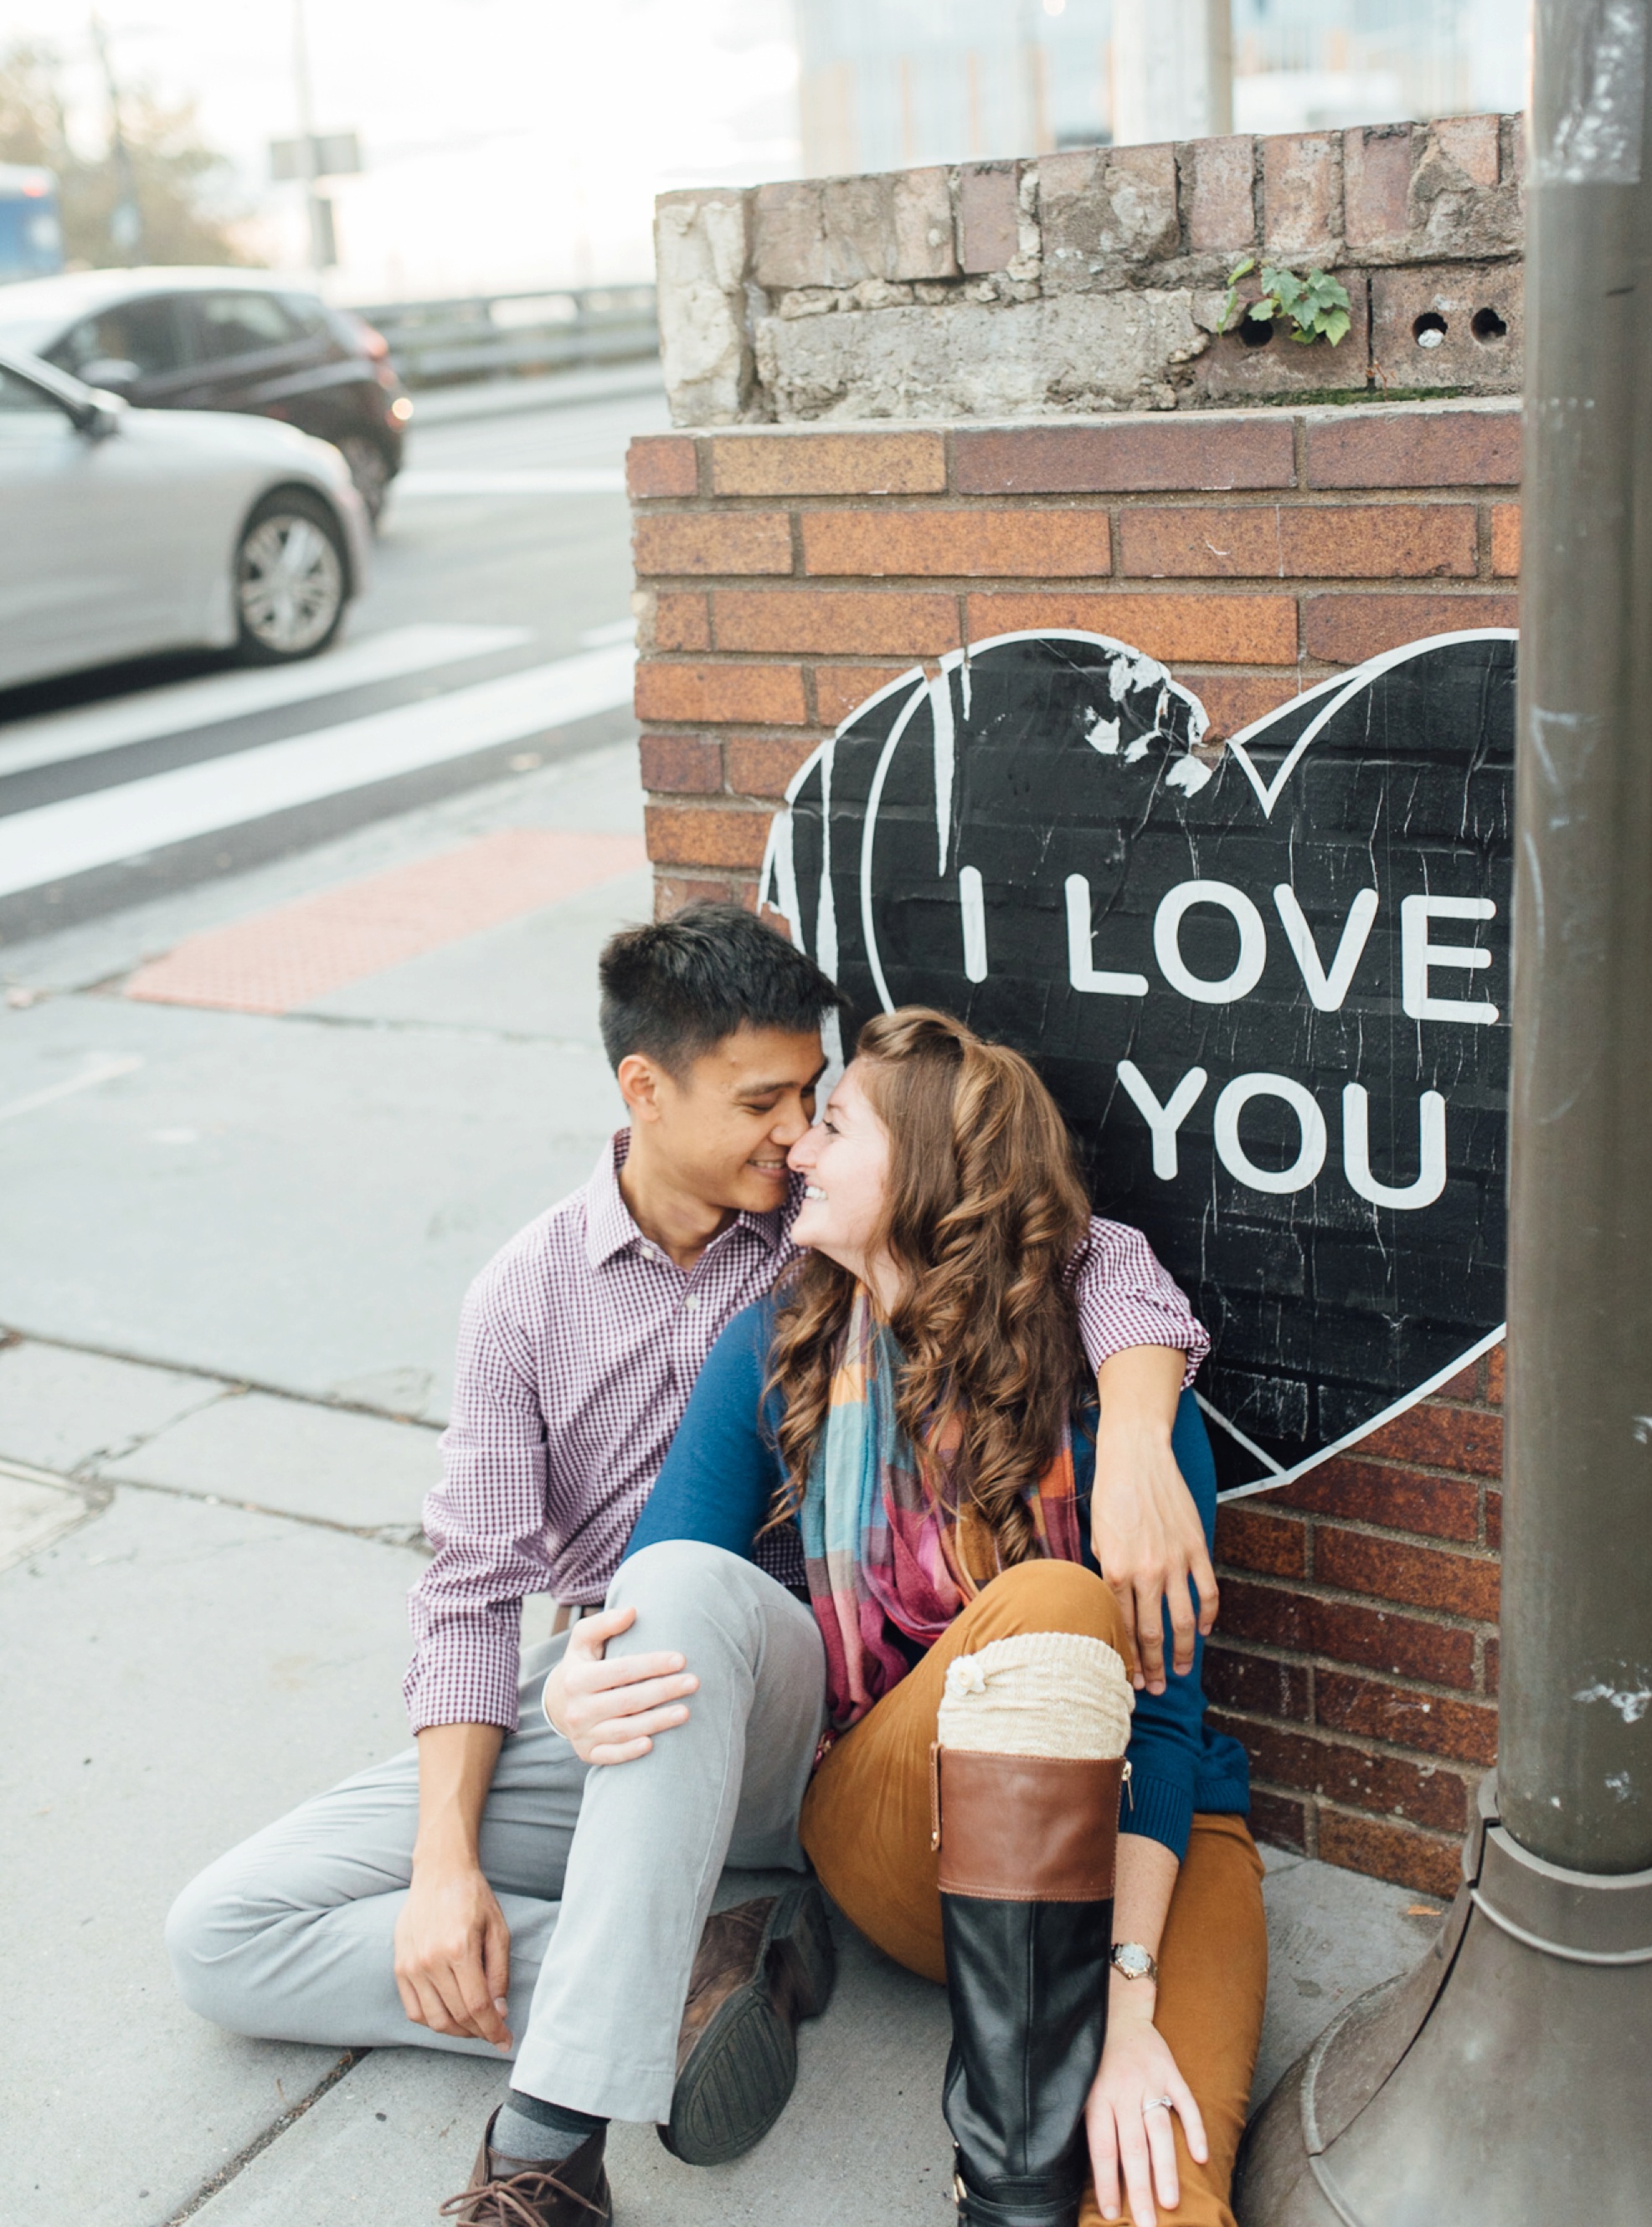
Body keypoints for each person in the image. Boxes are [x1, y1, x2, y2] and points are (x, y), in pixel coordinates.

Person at [164, 908, 1232, 2223]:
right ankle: (688, 1985)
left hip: (824, 1732)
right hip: (639, 1695)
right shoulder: (550, 1297)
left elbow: (1075, 1249)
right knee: (225, 1935)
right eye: (771, 1102)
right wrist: (461, 1842)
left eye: (820, 1106)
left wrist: (1134, 1427)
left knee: (761, 1597)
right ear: (645, 1091)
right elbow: (474, 1584)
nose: (795, 1136)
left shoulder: (828, 1249)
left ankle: (550, 2147)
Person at [601, 1007, 1266, 2227]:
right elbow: (669, 1579)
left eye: (835, 1124)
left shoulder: (1126, 1407)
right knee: (1061, 1600)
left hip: (1146, 1839)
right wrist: (586, 1670)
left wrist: (1129, 2020)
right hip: (897, 1817)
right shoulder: (780, 1346)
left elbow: (1165, 1729)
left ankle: (1042, 2130)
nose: (797, 1147)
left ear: (923, 1171)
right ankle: (1008, 2186)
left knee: (1160, 2194)